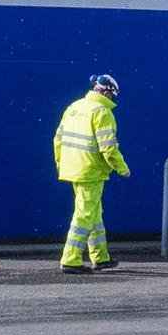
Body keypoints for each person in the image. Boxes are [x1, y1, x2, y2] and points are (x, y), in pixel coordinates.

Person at [53, 73, 128, 272]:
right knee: (84, 215)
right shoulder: (102, 112)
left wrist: (61, 163)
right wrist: (122, 168)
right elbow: (108, 148)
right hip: (90, 171)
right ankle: (70, 259)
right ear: (108, 93)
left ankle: (101, 257)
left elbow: (58, 139)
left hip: (73, 168)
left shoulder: (74, 107)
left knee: (94, 214)